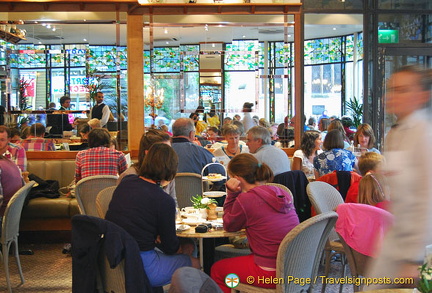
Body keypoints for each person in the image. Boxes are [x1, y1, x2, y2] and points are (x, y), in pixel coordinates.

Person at [365, 65, 432, 290]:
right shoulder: (395, 134)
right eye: (392, 89)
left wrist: (412, 258)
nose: (392, 96)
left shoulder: (425, 135)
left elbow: (427, 201)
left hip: (419, 247)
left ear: (422, 95)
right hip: (397, 238)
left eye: (402, 90)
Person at [105, 143, 199, 287]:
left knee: (187, 248)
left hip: (116, 255)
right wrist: (181, 250)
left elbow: (136, 218)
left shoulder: (126, 183)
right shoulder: (163, 200)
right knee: (196, 262)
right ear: (171, 170)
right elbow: (170, 247)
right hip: (143, 265)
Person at [210, 153, 299, 292]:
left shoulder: (246, 199)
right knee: (243, 261)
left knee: (218, 270)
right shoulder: (281, 192)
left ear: (236, 178)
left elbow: (229, 226)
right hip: (295, 266)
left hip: (270, 272)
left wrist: (231, 194)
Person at [117, 129, 178, 206]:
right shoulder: (130, 177)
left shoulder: (167, 173)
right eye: (163, 152)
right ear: (148, 153)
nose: (168, 156)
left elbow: (174, 203)